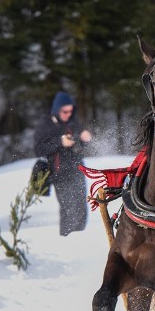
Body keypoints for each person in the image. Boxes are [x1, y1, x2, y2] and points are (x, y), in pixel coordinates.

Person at [32, 90, 93, 236]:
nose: (68, 114)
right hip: (59, 173)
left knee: (81, 208)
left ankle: (80, 239)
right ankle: (67, 240)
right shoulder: (44, 124)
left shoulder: (72, 121)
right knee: (69, 210)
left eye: (70, 111)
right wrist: (60, 142)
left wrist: (84, 138)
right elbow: (38, 149)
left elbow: (79, 143)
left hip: (77, 170)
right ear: (57, 109)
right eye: (65, 111)